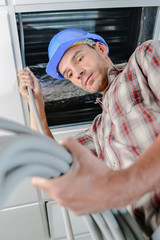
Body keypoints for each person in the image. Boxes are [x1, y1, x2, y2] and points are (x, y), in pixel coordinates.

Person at [18, 28, 160, 237]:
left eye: (79, 58)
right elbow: (50, 164)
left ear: (101, 49)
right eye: (68, 74)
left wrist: (128, 183)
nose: (77, 72)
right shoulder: (98, 130)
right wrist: (36, 104)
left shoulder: (143, 58)